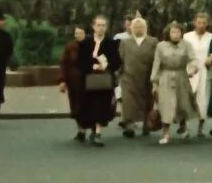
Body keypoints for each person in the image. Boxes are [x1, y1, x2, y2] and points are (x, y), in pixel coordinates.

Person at [150, 22, 200, 145]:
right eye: (173, 32)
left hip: (181, 76)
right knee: (166, 106)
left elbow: (193, 59)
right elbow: (156, 64)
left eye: (178, 32)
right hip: (165, 77)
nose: (176, 35)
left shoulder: (187, 45)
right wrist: (154, 83)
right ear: (168, 33)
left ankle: (182, 126)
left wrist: (193, 69)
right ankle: (165, 134)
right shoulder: (161, 46)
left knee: (182, 104)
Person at [76, 16, 120, 145]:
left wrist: (105, 66)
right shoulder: (85, 43)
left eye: (103, 25)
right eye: (99, 25)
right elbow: (80, 61)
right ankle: (90, 129)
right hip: (88, 80)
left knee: (102, 106)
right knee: (88, 105)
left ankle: (98, 133)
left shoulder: (111, 43)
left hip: (104, 80)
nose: (101, 28)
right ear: (93, 26)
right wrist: (92, 66)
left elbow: (117, 61)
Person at [117, 17, 158, 138]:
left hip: (147, 76)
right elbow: (121, 59)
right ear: (131, 28)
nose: (138, 29)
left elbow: (157, 59)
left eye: (141, 27)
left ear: (145, 28)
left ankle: (147, 123)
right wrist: (117, 75)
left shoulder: (153, 41)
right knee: (129, 101)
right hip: (129, 77)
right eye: (135, 27)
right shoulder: (125, 42)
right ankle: (129, 125)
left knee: (147, 100)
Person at [184, 13, 212, 135]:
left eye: (204, 23)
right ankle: (185, 128)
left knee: (203, 99)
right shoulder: (187, 36)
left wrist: (211, 59)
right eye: (199, 22)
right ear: (194, 22)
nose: (201, 25)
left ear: (207, 24)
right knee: (187, 99)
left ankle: (201, 127)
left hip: (205, 71)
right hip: (190, 71)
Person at [58, 25, 86, 123]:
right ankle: (80, 126)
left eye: (80, 33)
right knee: (75, 104)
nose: (78, 36)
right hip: (73, 80)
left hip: (87, 79)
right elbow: (63, 63)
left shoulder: (91, 45)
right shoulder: (70, 46)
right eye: (76, 33)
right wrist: (62, 80)